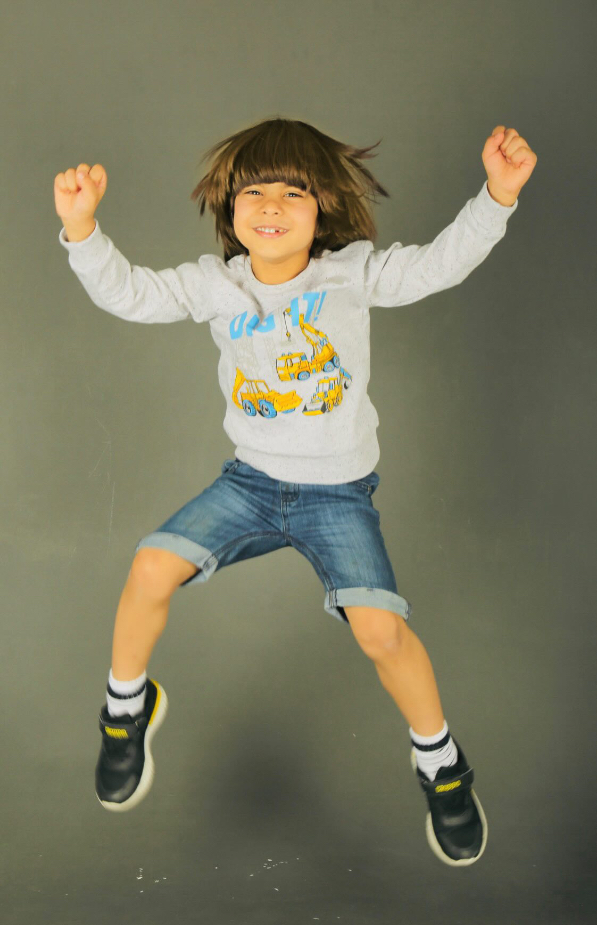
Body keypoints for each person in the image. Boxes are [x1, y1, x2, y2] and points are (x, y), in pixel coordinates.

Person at [54, 116, 536, 866]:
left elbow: (438, 265)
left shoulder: (349, 275)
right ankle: (125, 712)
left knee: (381, 633)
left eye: (293, 192)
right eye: (254, 192)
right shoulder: (216, 285)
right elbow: (132, 295)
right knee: (149, 566)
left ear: (322, 210)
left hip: (337, 495)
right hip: (250, 483)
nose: (271, 205)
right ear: (230, 208)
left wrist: (496, 196)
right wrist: (82, 230)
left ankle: (440, 762)